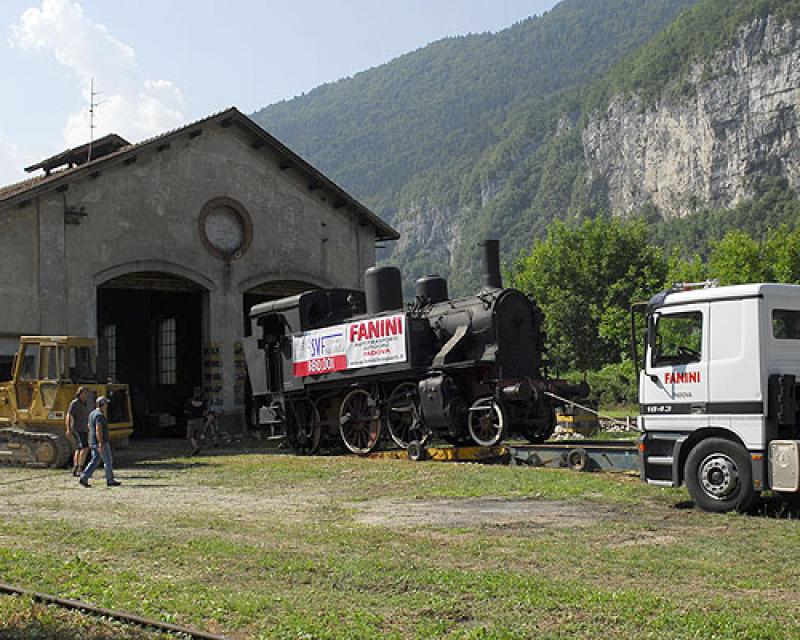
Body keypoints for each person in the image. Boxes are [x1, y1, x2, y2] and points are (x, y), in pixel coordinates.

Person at [79, 396, 121, 488]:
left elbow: (89, 426)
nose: (107, 406)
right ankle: (110, 480)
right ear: (103, 404)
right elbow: (98, 428)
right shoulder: (100, 415)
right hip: (101, 442)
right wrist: (101, 442)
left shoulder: (92, 413)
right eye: (106, 404)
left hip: (93, 441)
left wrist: (91, 439)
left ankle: (84, 477)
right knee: (108, 461)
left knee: (95, 460)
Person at [65, 387, 90, 477]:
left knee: (79, 448)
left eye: (87, 393)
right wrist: (68, 429)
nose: (86, 395)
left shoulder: (85, 403)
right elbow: (69, 415)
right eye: (84, 393)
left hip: (84, 429)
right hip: (78, 429)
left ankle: (76, 468)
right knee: (85, 448)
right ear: (80, 393)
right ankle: (80, 468)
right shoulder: (75, 403)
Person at [185, 386, 207, 455]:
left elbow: (186, 411)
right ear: (200, 393)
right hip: (200, 420)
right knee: (199, 435)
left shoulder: (189, 401)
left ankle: (195, 447)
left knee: (190, 436)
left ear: (194, 393)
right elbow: (205, 412)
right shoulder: (203, 401)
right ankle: (200, 446)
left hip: (191, 420)